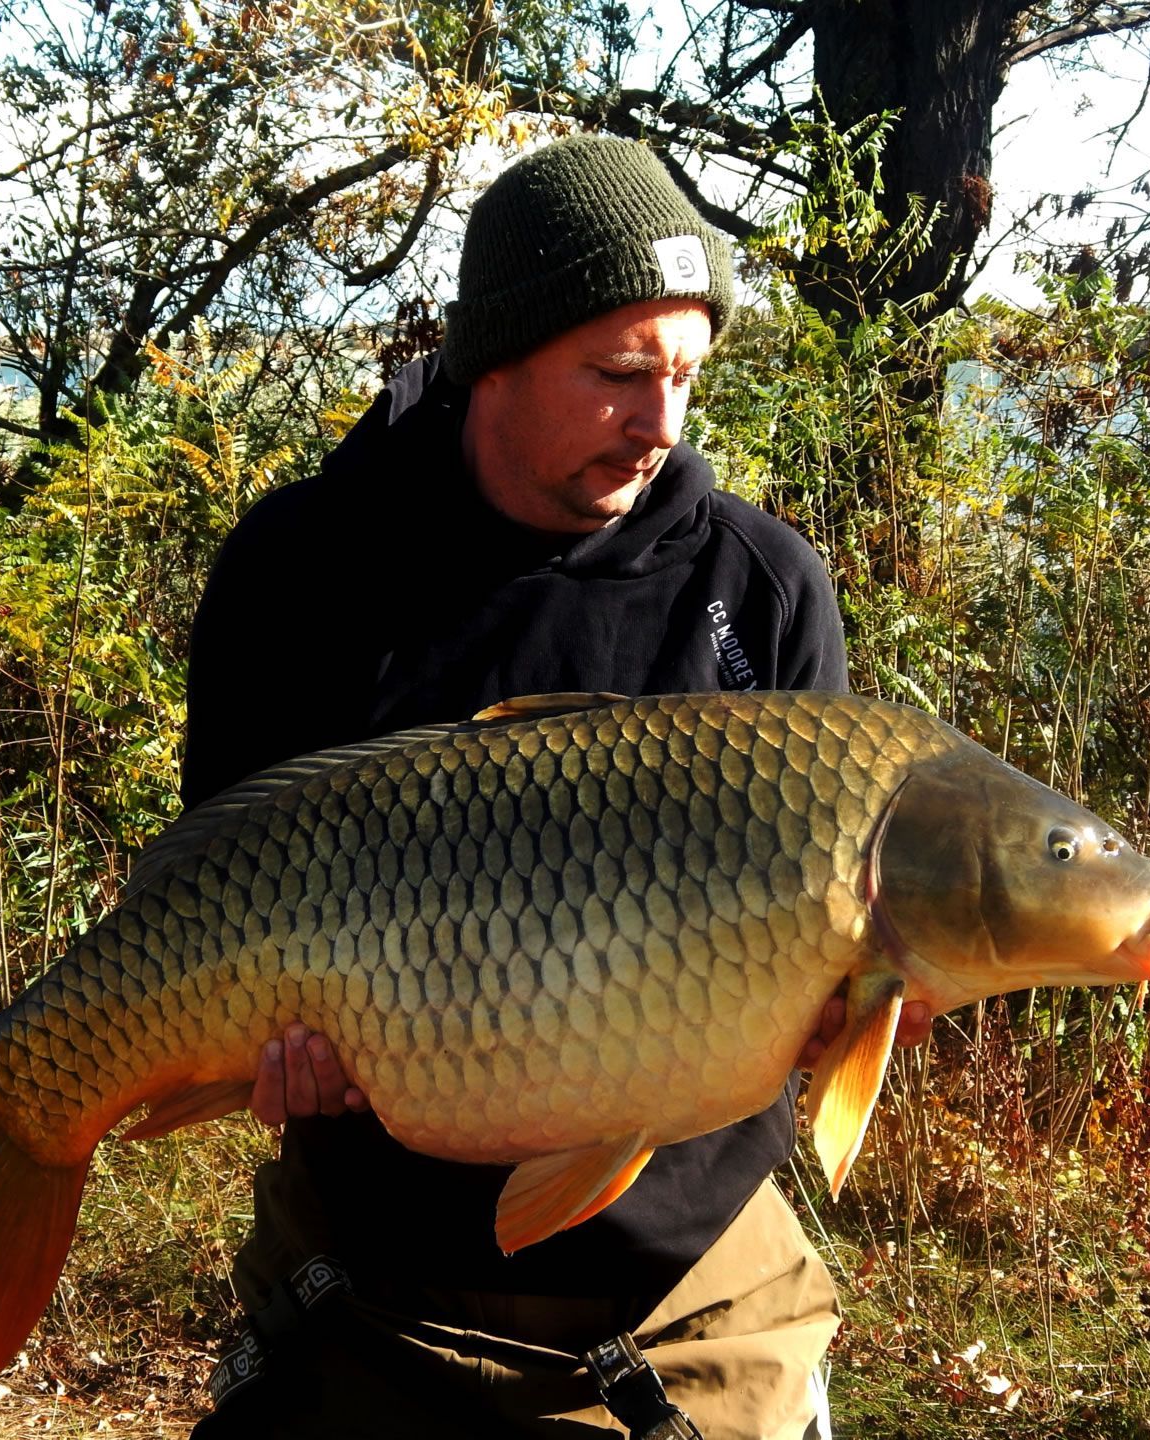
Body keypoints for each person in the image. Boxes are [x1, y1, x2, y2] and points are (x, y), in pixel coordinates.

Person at [174, 134, 929, 1439]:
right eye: (619, 375)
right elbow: (214, 880)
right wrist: (261, 1057)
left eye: (685, 376)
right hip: (376, 1268)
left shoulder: (763, 590)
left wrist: (859, 1005)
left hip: (688, 1285)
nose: (660, 422)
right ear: (495, 359)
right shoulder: (304, 572)